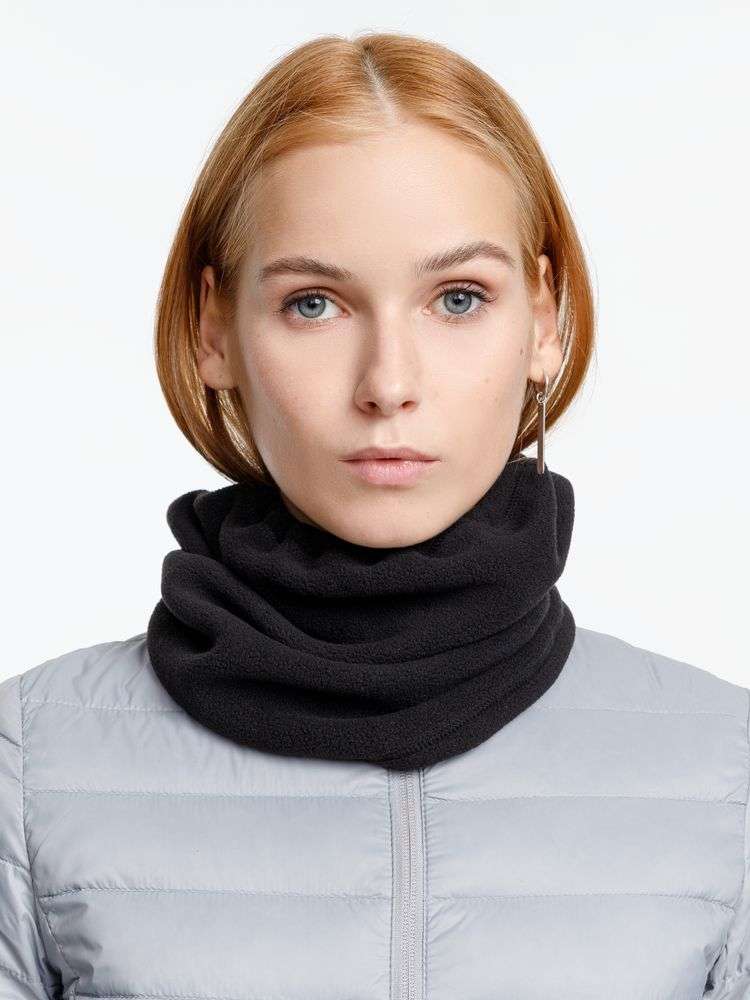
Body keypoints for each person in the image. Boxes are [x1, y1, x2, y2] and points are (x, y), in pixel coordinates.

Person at [1, 30, 747, 1000]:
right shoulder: (29, 765)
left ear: (545, 318)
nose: (389, 383)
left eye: (459, 298)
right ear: (213, 328)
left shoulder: (729, 772)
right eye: (314, 303)